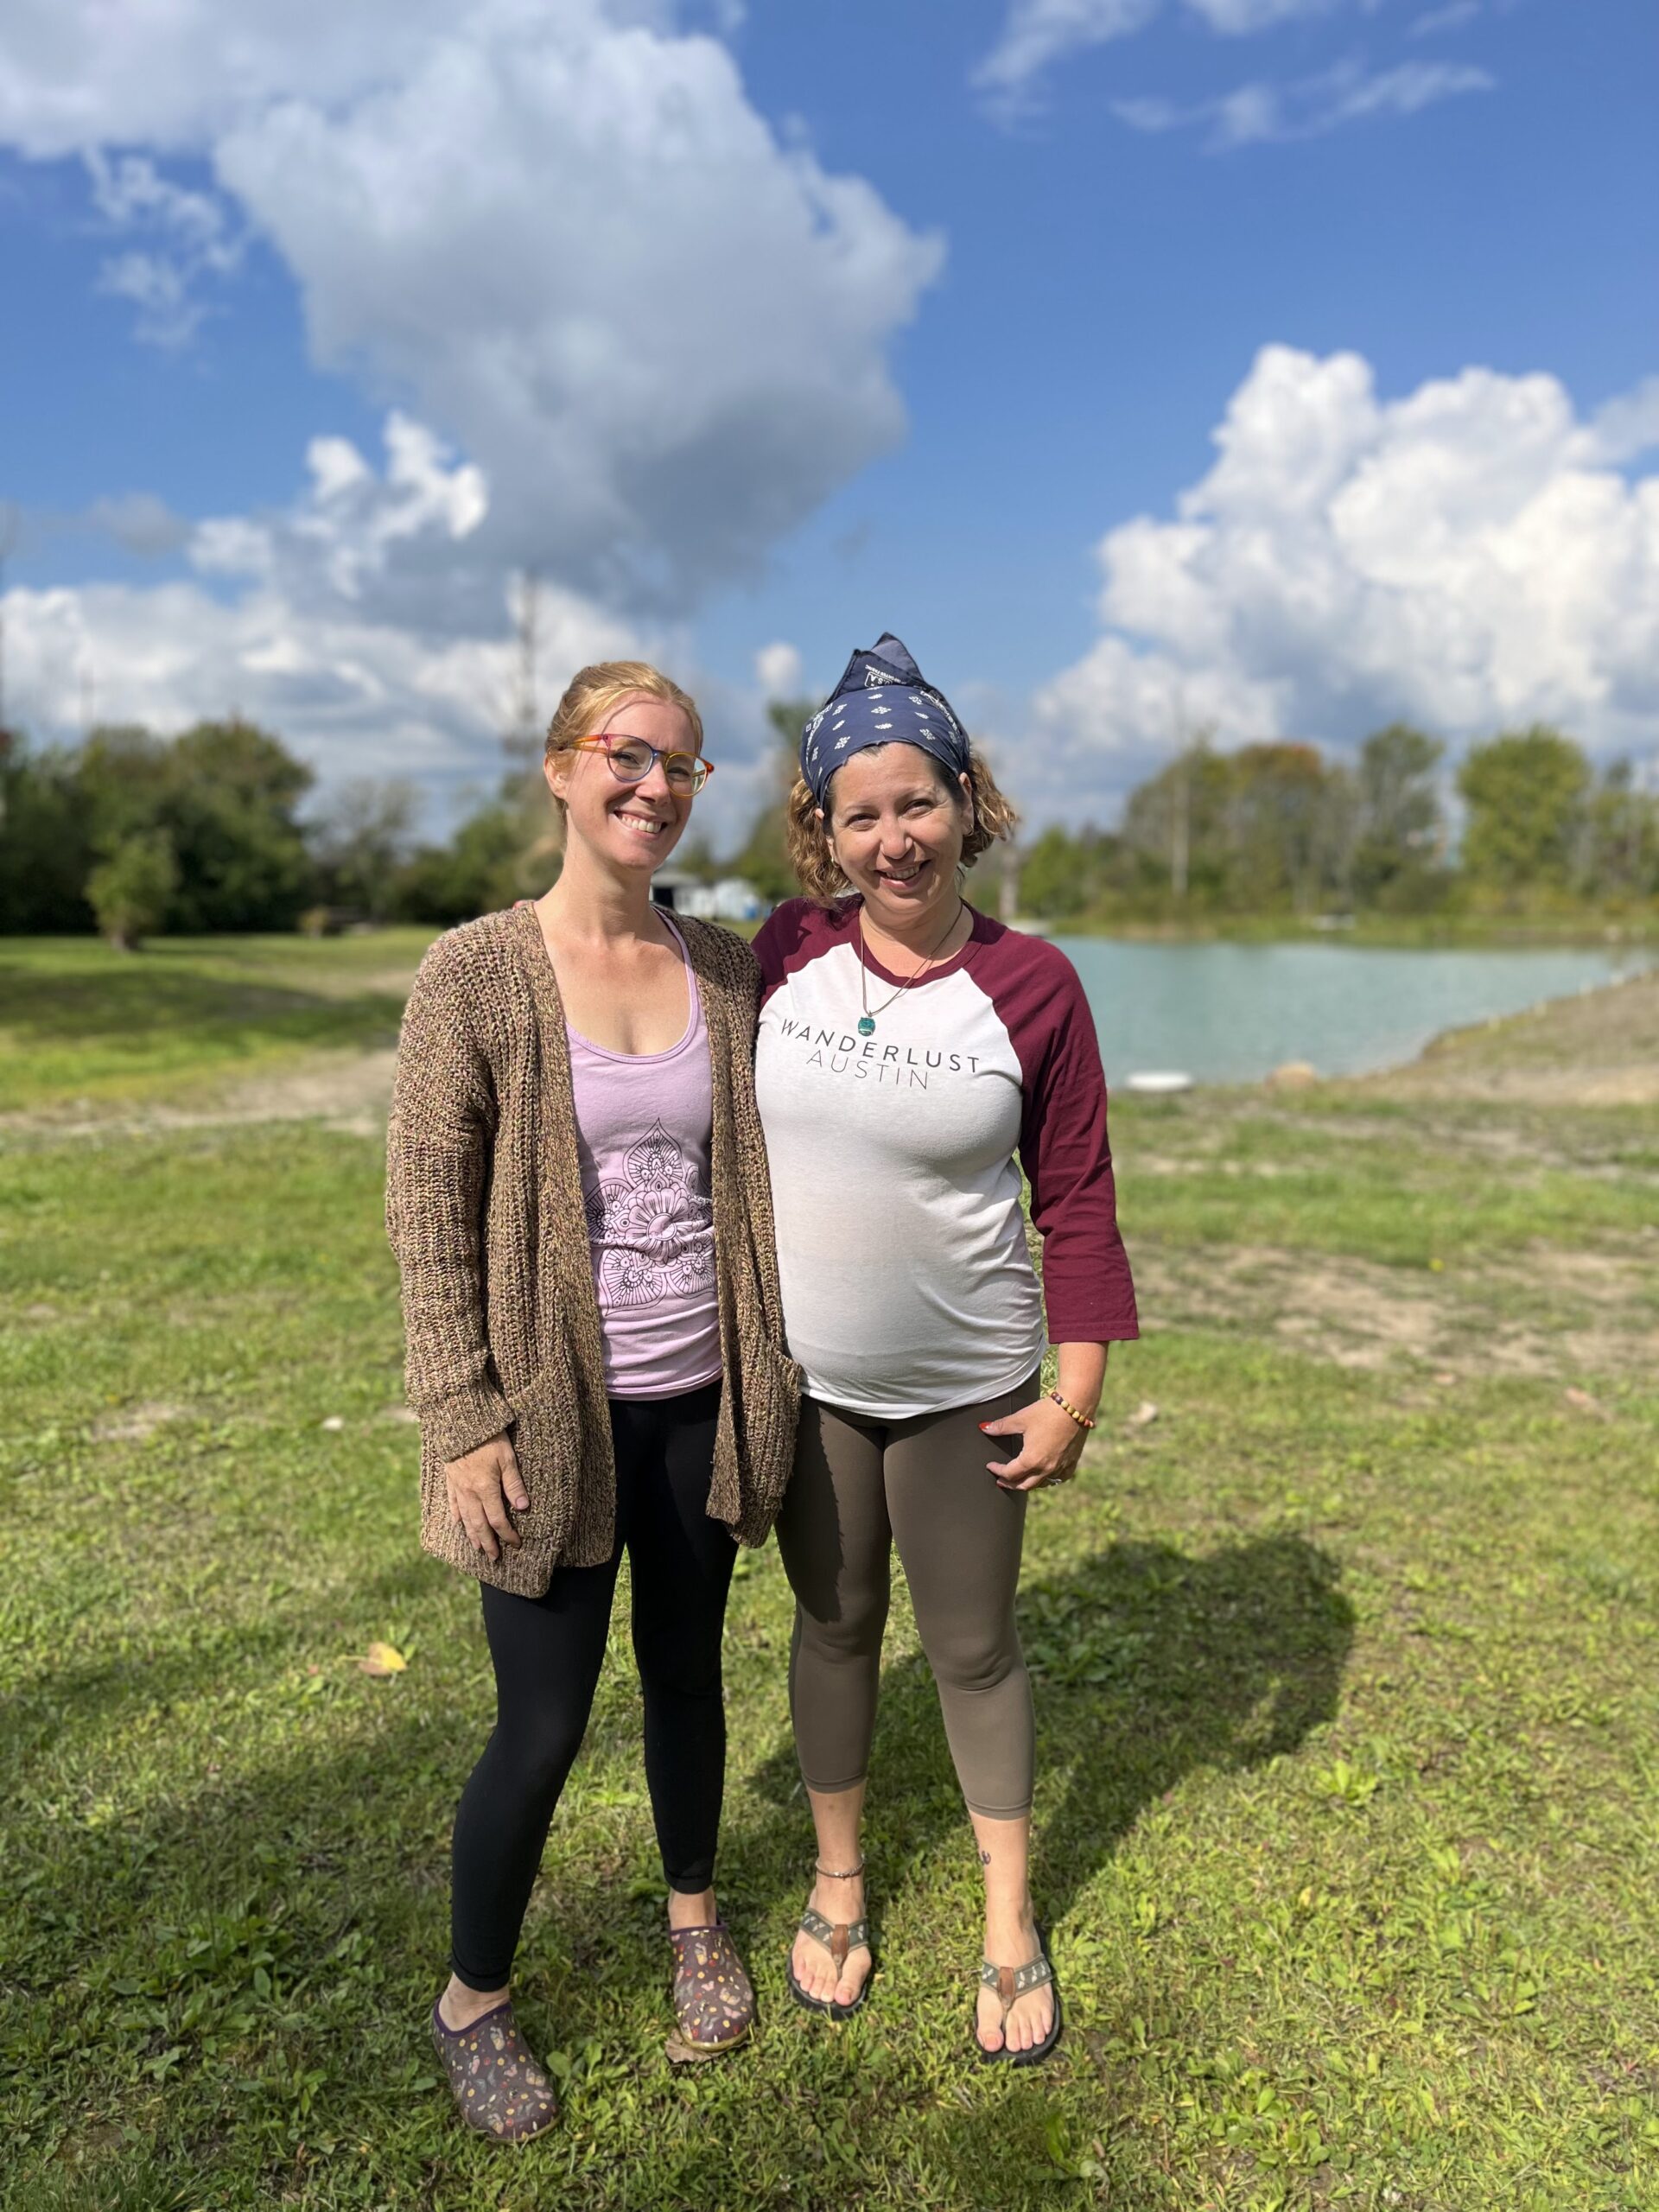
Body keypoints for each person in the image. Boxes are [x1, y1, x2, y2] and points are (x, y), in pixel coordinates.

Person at [386, 661, 799, 2141]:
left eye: (684, 767)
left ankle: (695, 1922)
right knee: (543, 1726)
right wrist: (462, 1415)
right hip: (552, 1420)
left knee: (689, 1682)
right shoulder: (477, 973)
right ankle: (473, 2003)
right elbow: (428, 1206)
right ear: (561, 769)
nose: (656, 788)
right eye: (628, 757)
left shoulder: (732, 968)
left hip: (703, 1396)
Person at [753, 633, 1138, 2065]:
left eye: (917, 802)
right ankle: (839, 1883)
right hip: (813, 1391)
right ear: (822, 832)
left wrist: (1077, 1394)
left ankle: (1007, 1919)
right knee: (836, 1625)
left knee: (972, 1651)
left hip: (971, 1392)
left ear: (966, 801)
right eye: (860, 813)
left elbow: (1079, 1197)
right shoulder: (781, 956)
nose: (893, 837)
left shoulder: (1034, 986)